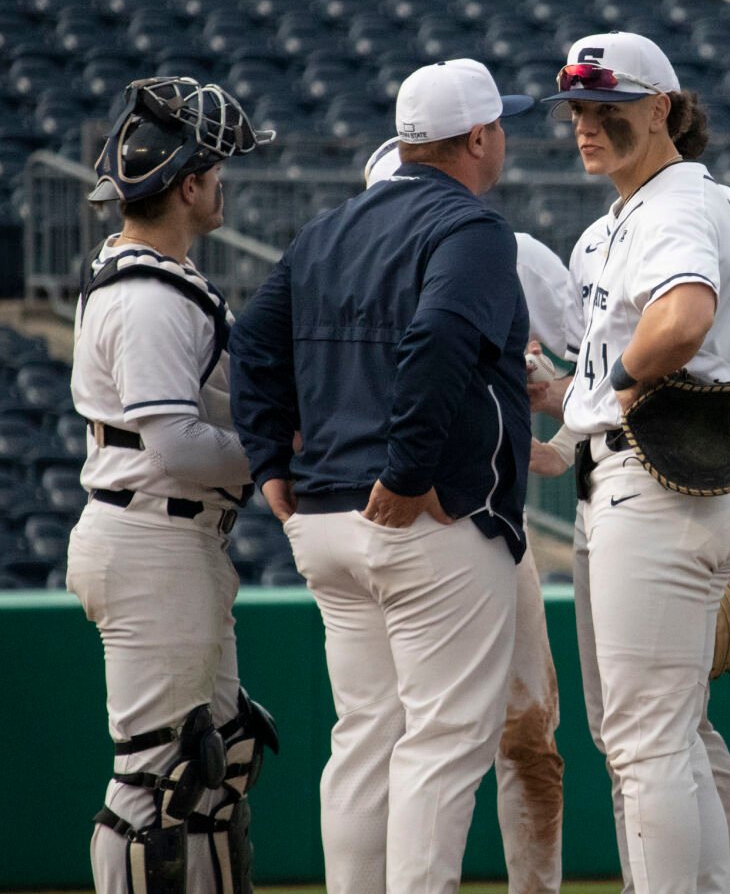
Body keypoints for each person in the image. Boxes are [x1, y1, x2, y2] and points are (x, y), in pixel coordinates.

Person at [228, 59, 534, 894]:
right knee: (440, 743)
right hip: (420, 521)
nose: (503, 136)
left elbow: (252, 342)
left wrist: (270, 464)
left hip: (325, 518)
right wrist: (407, 468)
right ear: (476, 137)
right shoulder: (472, 227)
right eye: (498, 125)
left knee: (366, 736)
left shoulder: (327, 228)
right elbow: (437, 338)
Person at [533, 51, 730, 894]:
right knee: (657, 738)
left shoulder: (677, 201)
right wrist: (572, 404)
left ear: (663, 110)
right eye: (575, 108)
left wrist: (607, 395)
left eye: (607, 106)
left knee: (645, 743)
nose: (585, 123)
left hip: (656, 482)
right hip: (643, 478)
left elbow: (683, 321)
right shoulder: (638, 211)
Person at [65, 76, 279, 894]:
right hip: (151, 530)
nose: (222, 182)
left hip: (172, 535)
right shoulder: (149, 294)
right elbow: (179, 446)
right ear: (186, 185)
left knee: (219, 759)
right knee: (154, 779)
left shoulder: (154, 275)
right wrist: (277, 450)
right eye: (215, 170)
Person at [364, 136, 568, 894]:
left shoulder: (502, 253)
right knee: (391, 740)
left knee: (524, 736)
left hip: (481, 524)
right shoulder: (354, 258)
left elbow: (571, 376)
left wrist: (545, 423)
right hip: (389, 522)